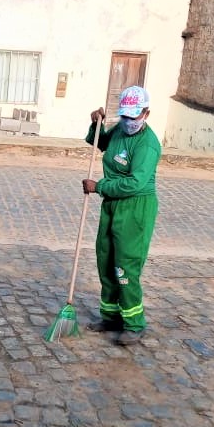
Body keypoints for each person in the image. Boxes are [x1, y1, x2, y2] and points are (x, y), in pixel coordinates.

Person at [82, 86, 161, 346]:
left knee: (125, 265)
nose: (128, 122)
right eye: (125, 117)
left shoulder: (147, 145)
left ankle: (134, 323)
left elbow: (135, 183)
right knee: (105, 258)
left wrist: (99, 186)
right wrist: (97, 124)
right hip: (112, 205)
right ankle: (111, 316)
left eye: (134, 117)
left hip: (134, 207)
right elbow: (101, 143)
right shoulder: (120, 129)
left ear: (146, 113)